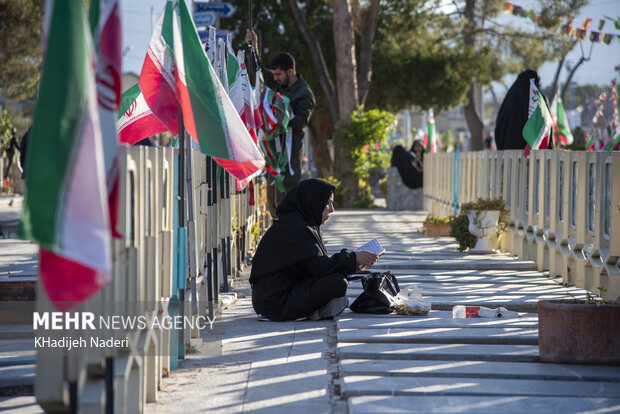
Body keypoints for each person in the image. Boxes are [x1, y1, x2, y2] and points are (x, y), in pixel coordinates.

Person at [249, 178, 378, 321]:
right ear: (313, 202)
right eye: (328, 204)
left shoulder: (299, 224)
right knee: (337, 283)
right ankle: (312, 312)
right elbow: (319, 268)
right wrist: (353, 258)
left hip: (278, 297)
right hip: (276, 303)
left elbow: (314, 267)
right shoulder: (294, 229)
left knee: (336, 279)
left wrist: (352, 264)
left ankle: (317, 309)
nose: (332, 209)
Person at [245, 29, 316, 216]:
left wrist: (284, 117)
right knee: (272, 197)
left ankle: (292, 233)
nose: (275, 78)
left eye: (278, 74)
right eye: (274, 75)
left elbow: (301, 121)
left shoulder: (304, 94)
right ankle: (279, 231)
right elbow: (258, 71)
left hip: (289, 154)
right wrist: (253, 45)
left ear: (290, 71)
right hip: (273, 155)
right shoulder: (278, 83)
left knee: (288, 195)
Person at [494, 69, 553, 150]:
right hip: (531, 156)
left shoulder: (508, 101)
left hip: (507, 156)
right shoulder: (536, 101)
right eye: (538, 84)